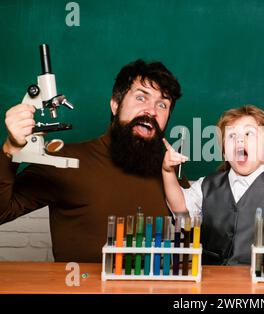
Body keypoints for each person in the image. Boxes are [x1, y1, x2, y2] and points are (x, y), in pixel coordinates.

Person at [0, 60, 183, 262]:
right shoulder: (64, 161)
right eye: (141, 98)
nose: (152, 111)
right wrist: (10, 149)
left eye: (162, 104)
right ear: (115, 104)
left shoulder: (170, 173)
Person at [162, 104, 264, 265]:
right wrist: (168, 172)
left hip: (261, 282)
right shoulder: (207, 185)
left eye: (249, 134)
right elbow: (180, 207)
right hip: (211, 279)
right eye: (231, 135)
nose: (239, 140)